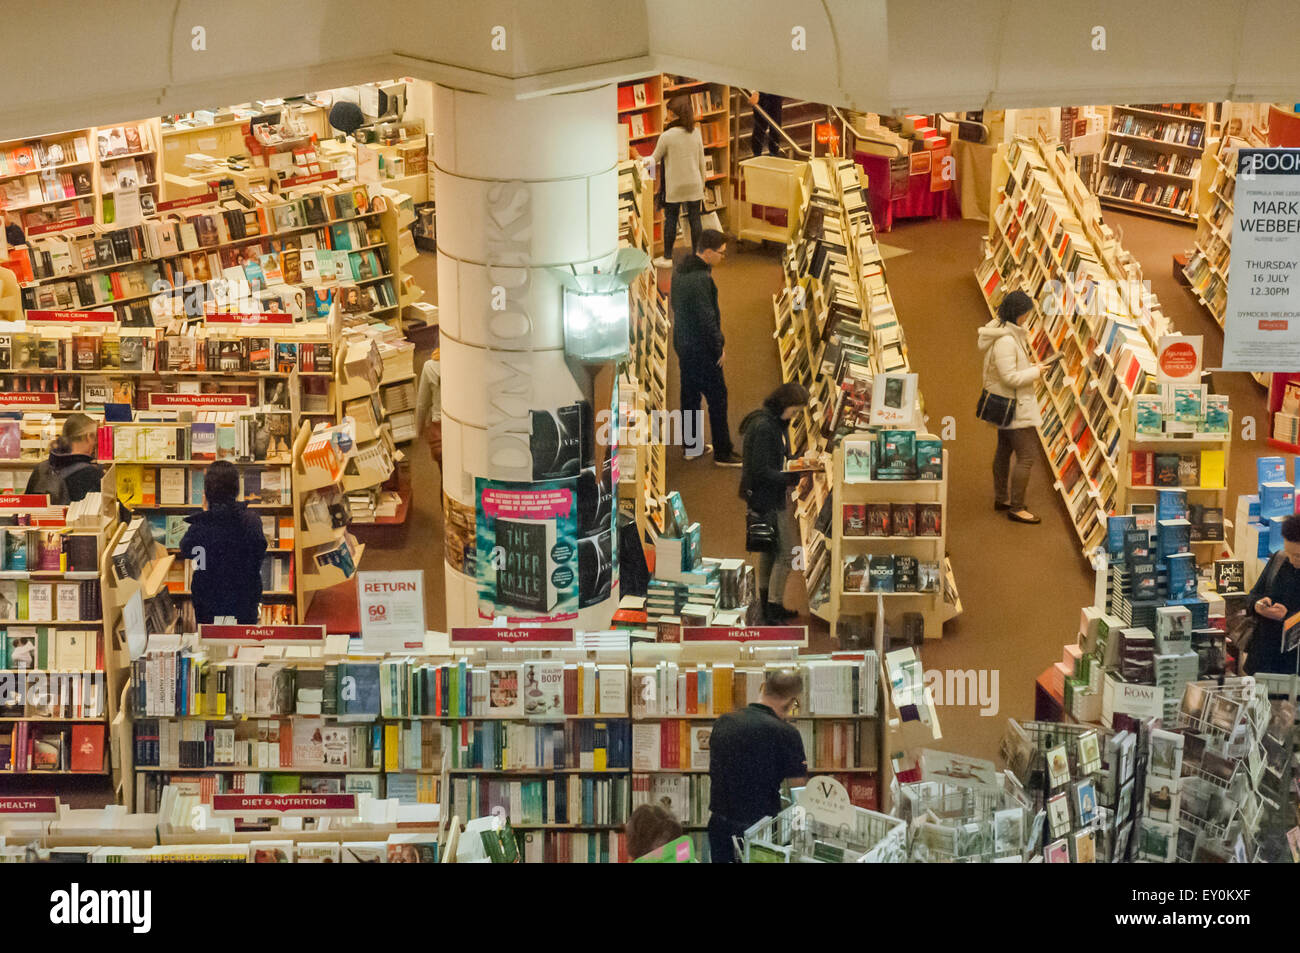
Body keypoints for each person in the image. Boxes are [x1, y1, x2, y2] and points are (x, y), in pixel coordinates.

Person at [707, 670, 807, 863]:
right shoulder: (787, 734)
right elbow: (799, 791)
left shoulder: (723, 722)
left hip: (719, 823)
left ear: (763, 688)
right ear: (790, 702)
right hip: (760, 828)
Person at [978, 289, 1050, 525]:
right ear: (1017, 314)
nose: (1027, 318)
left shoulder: (1002, 331)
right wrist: (1036, 372)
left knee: (1004, 450)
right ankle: (1017, 507)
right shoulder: (1006, 341)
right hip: (1014, 406)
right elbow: (1009, 377)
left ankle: (1002, 497)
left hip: (1006, 404)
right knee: (1027, 456)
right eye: (1026, 314)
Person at [739, 383, 810, 623]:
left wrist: (795, 463)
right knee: (788, 553)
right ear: (784, 405)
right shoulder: (765, 429)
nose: (796, 415)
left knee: (769, 550)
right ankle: (773, 605)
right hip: (766, 498)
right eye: (795, 410)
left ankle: (768, 602)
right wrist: (789, 477)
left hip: (769, 496)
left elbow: (775, 459)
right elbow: (760, 471)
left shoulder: (775, 424)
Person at [671, 229, 739, 467]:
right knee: (717, 397)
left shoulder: (680, 270)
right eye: (721, 253)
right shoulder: (701, 279)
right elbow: (707, 318)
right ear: (708, 252)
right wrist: (719, 346)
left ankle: (691, 446)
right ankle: (723, 452)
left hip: (683, 343)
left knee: (689, 395)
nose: (723, 257)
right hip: (701, 349)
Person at [179, 460, 268, 625]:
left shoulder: (202, 526)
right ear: (236, 489)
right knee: (243, 645)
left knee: (212, 646)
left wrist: (205, 512)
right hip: (244, 599)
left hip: (209, 602)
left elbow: (186, 548)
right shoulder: (251, 521)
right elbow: (259, 553)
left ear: (207, 491)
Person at [651, 95, 707, 267]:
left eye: (667, 111)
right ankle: (698, 255)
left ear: (674, 114)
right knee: (695, 219)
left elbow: (654, 159)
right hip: (694, 182)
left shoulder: (667, 136)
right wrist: (702, 184)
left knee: (671, 219)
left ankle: (668, 257)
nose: (665, 114)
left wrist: (638, 158)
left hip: (675, 185)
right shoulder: (696, 133)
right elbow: (701, 161)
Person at [1244, 515, 1300, 676]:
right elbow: (1253, 595)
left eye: (1297, 555)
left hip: (1293, 668)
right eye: (1288, 552)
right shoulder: (1279, 559)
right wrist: (1258, 605)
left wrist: (1287, 616)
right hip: (1262, 660)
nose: (1292, 559)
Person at [25, 413, 102, 503]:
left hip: (42, 517)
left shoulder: (40, 469)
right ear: (89, 437)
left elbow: (25, 509)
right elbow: (114, 510)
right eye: (96, 437)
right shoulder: (92, 474)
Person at [415, 348, 443, 503]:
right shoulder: (467, 365)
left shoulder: (430, 366)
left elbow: (422, 404)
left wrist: (417, 431)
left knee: (445, 480)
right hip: (464, 432)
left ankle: (446, 518)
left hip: (440, 433)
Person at [748, 91, 784, 157]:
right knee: (760, 126)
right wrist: (754, 91)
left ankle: (774, 153)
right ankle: (757, 153)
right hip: (762, 94)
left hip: (775, 92)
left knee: (775, 126)